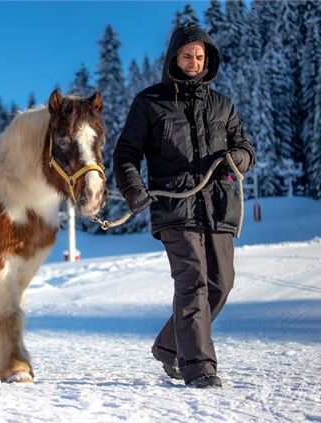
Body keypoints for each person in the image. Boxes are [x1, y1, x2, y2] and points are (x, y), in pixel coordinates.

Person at [113, 22, 256, 388]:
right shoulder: (150, 102)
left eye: (200, 56)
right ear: (174, 57)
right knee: (193, 282)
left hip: (218, 207)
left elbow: (247, 148)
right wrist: (133, 187)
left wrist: (236, 158)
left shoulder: (222, 105)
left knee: (220, 284)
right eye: (187, 55)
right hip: (174, 207)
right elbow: (126, 152)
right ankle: (198, 366)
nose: (194, 62)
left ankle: (167, 345)